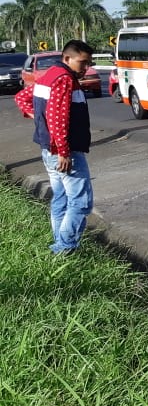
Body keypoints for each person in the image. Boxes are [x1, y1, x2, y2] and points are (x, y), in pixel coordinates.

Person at [14, 39, 96, 255]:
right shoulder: (64, 79)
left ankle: (59, 244)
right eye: (83, 63)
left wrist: (37, 118)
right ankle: (65, 248)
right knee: (80, 202)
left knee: (61, 197)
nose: (86, 68)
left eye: (89, 63)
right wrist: (63, 151)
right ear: (67, 58)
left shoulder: (50, 75)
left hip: (47, 150)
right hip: (63, 152)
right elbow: (57, 117)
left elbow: (22, 98)